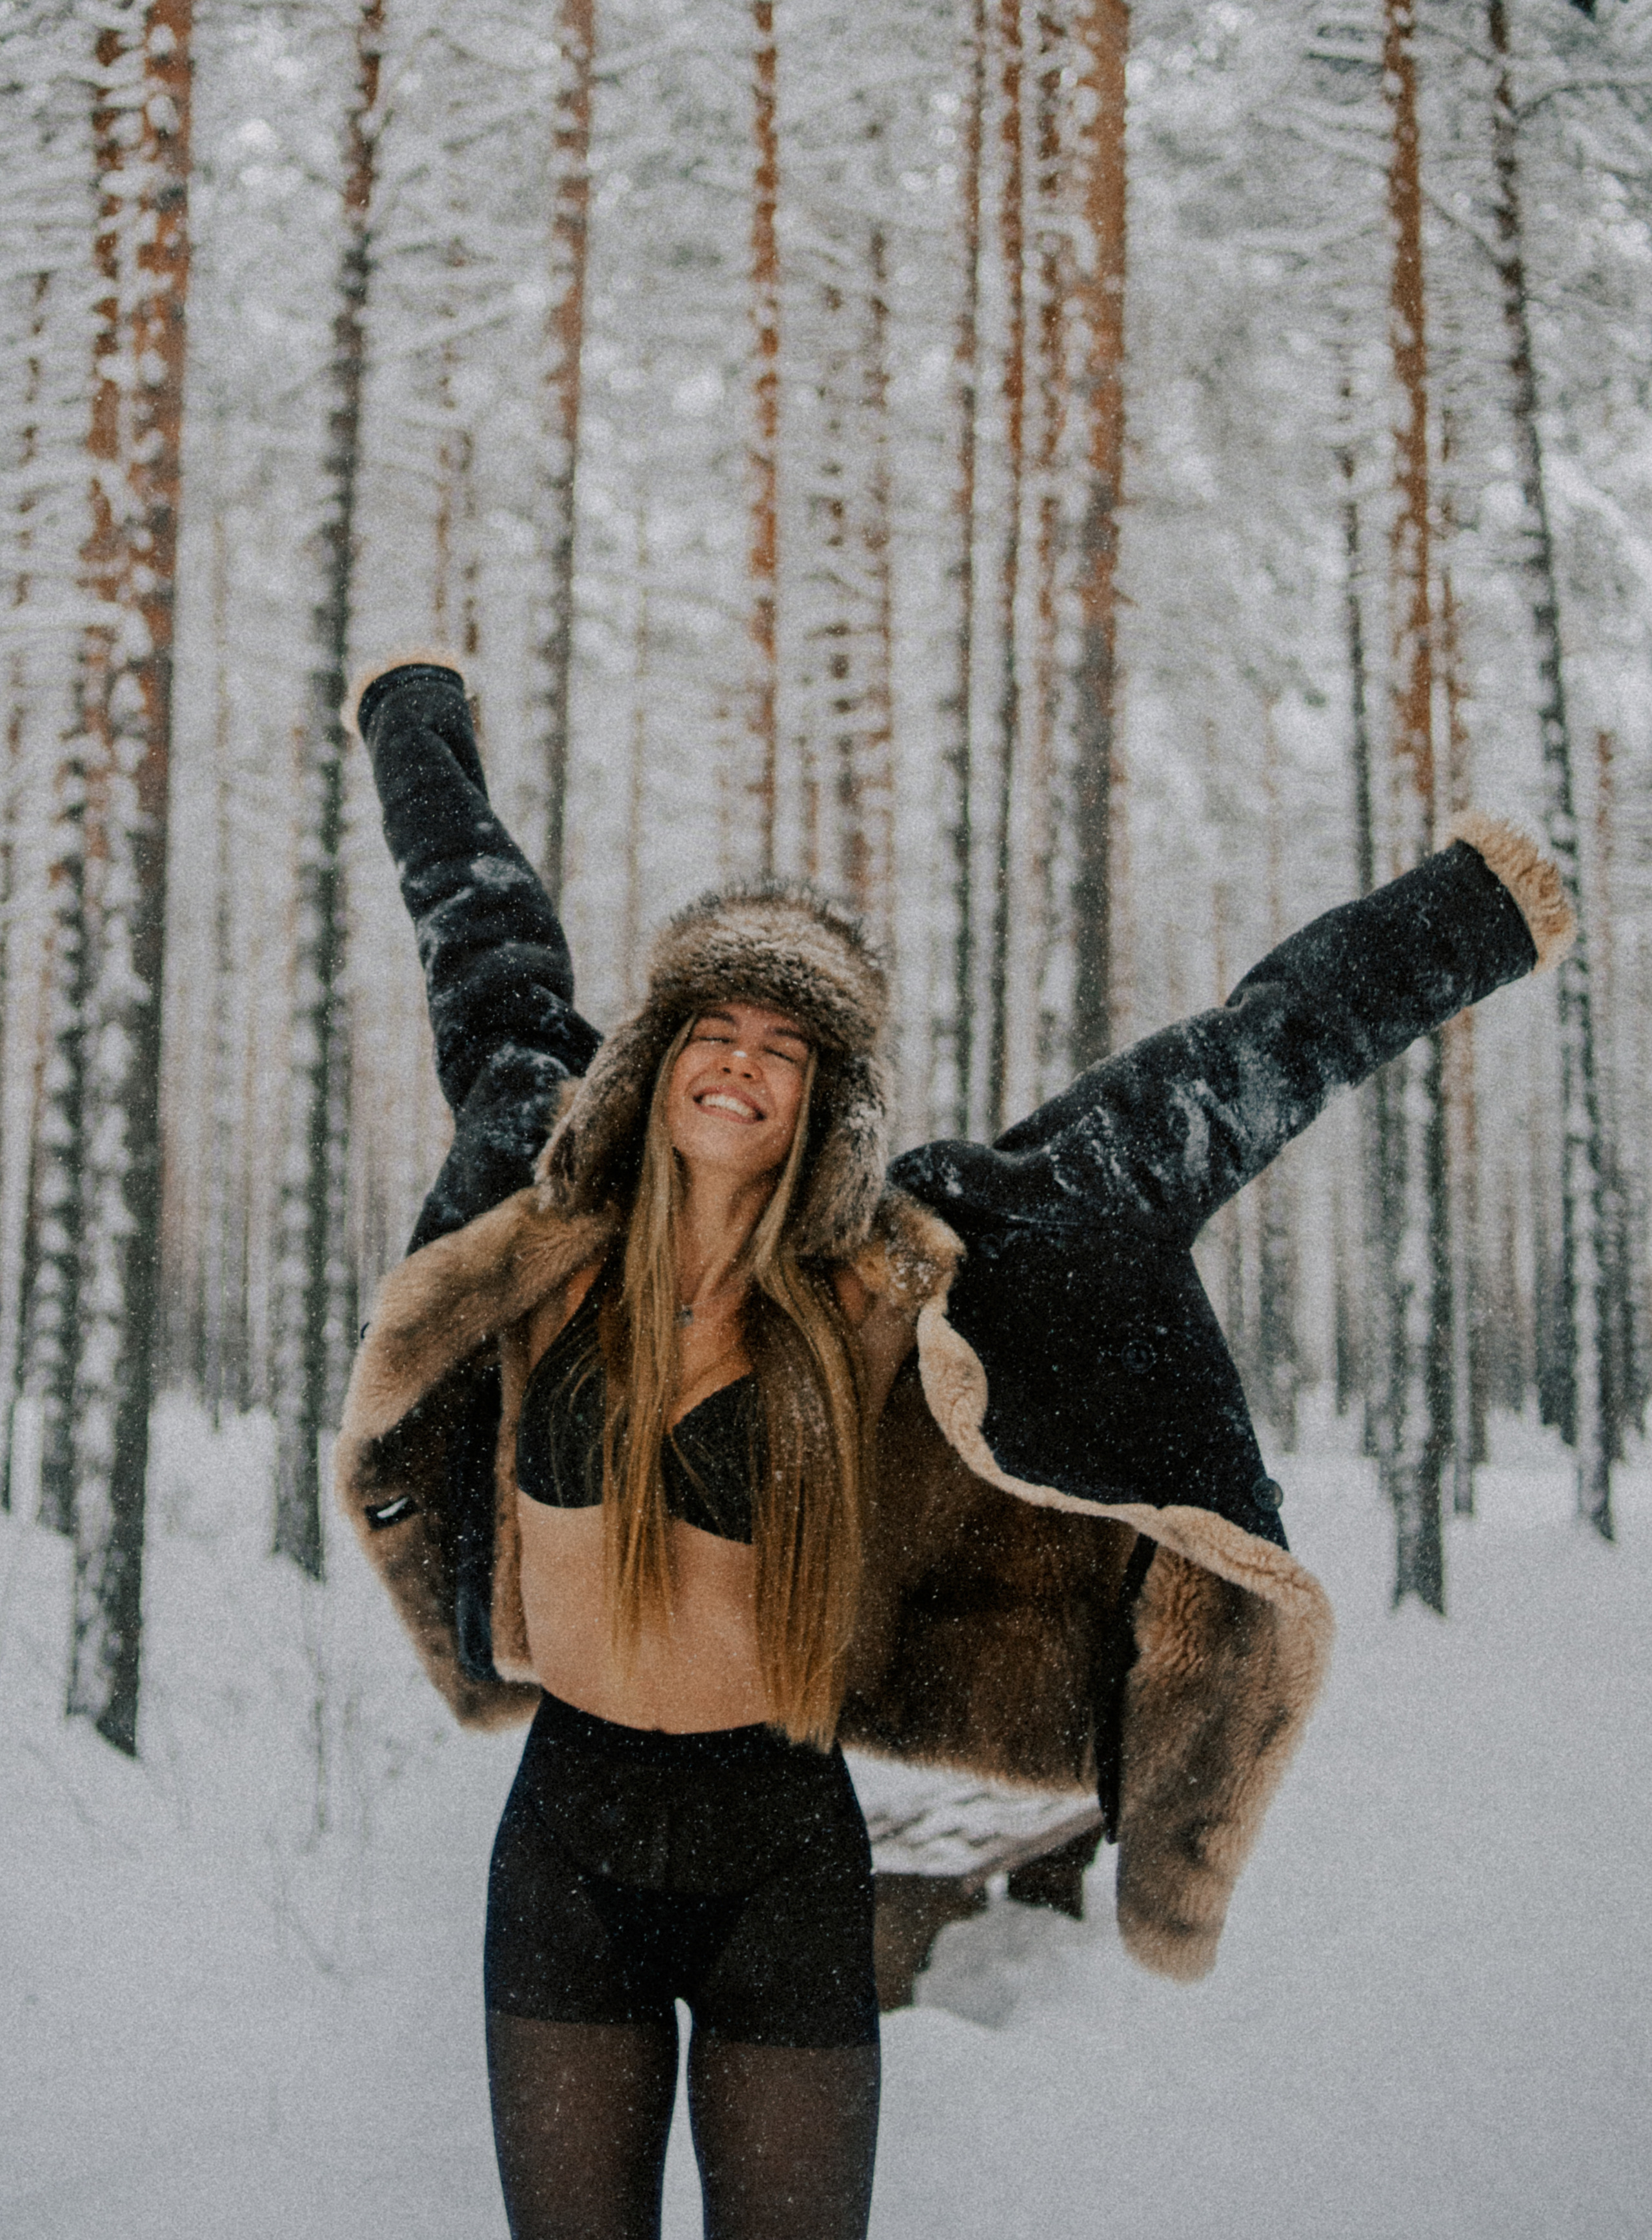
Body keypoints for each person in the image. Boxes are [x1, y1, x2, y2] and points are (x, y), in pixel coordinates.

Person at [337, 654, 1573, 2240]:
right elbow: (477, 926)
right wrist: (409, 715)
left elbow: (1225, 1076)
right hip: (562, 1844)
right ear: (652, 1062)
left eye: (784, 1043)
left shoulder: (883, 1283)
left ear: (821, 1098)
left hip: (778, 1848)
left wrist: (1467, 914)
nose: (739, 1057)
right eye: (710, 1021)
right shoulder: (553, 1213)